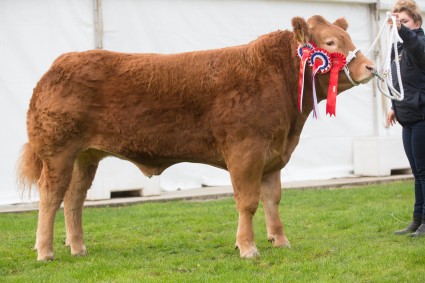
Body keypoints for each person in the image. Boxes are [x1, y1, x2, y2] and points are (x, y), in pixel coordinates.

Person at [386, 0, 425, 237]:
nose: (399, 26)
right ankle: (417, 219)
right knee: (417, 172)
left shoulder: (418, 43)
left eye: (405, 21)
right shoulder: (397, 48)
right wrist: (393, 106)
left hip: (421, 115)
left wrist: (401, 29)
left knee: (423, 171)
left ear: (416, 23)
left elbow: (415, 45)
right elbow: (398, 82)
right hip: (407, 116)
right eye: (397, 21)